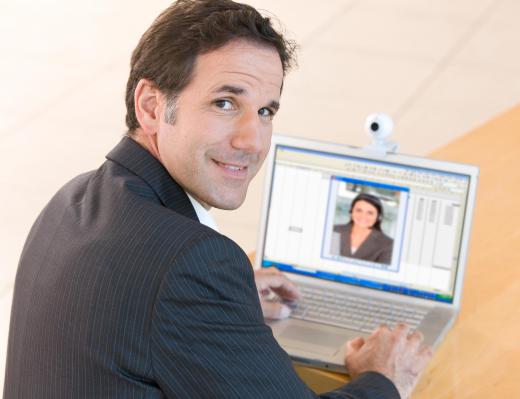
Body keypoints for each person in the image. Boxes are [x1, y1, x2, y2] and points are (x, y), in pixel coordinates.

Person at [3, 1, 432, 398]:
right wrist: (383, 376)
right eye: (225, 103)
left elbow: (141, 302)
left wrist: (226, 301)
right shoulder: (191, 264)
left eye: (266, 111)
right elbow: (169, 281)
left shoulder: (73, 197)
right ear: (151, 107)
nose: (253, 141)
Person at [333, 193, 394, 264]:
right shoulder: (334, 231)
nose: (363, 216)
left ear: (378, 217)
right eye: (359, 210)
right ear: (351, 211)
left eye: (370, 213)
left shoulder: (387, 244)